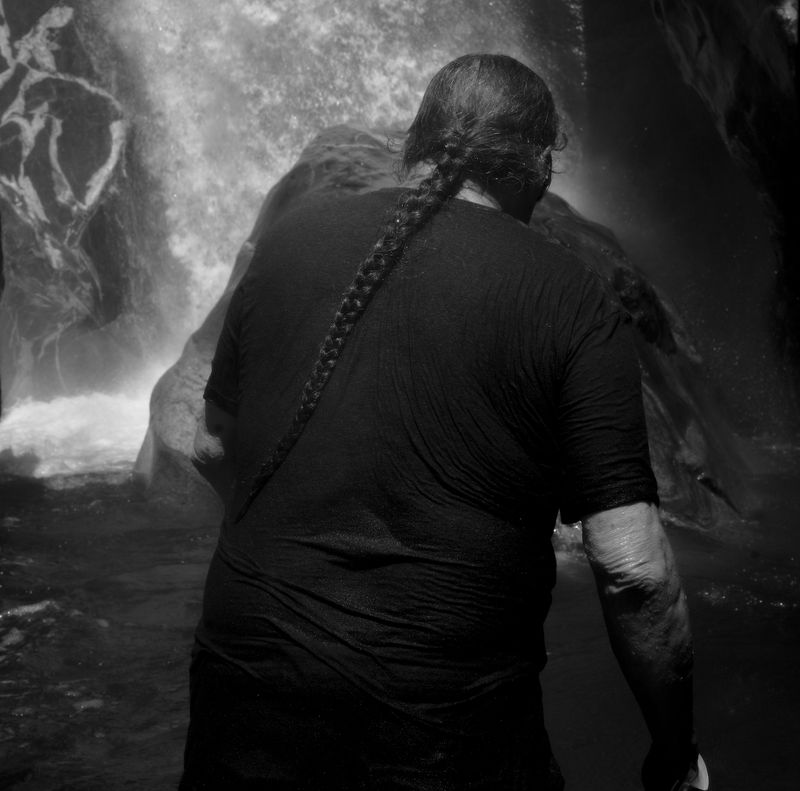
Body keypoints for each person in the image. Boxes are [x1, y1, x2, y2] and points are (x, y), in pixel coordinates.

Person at [180, 53, 705, 791]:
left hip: (243, 694)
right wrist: (675, 751)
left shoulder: (287, 241)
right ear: (540, 164)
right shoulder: (572, 300)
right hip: (443, 728)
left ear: (415, 141)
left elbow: (208, 446)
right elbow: (633, 571)